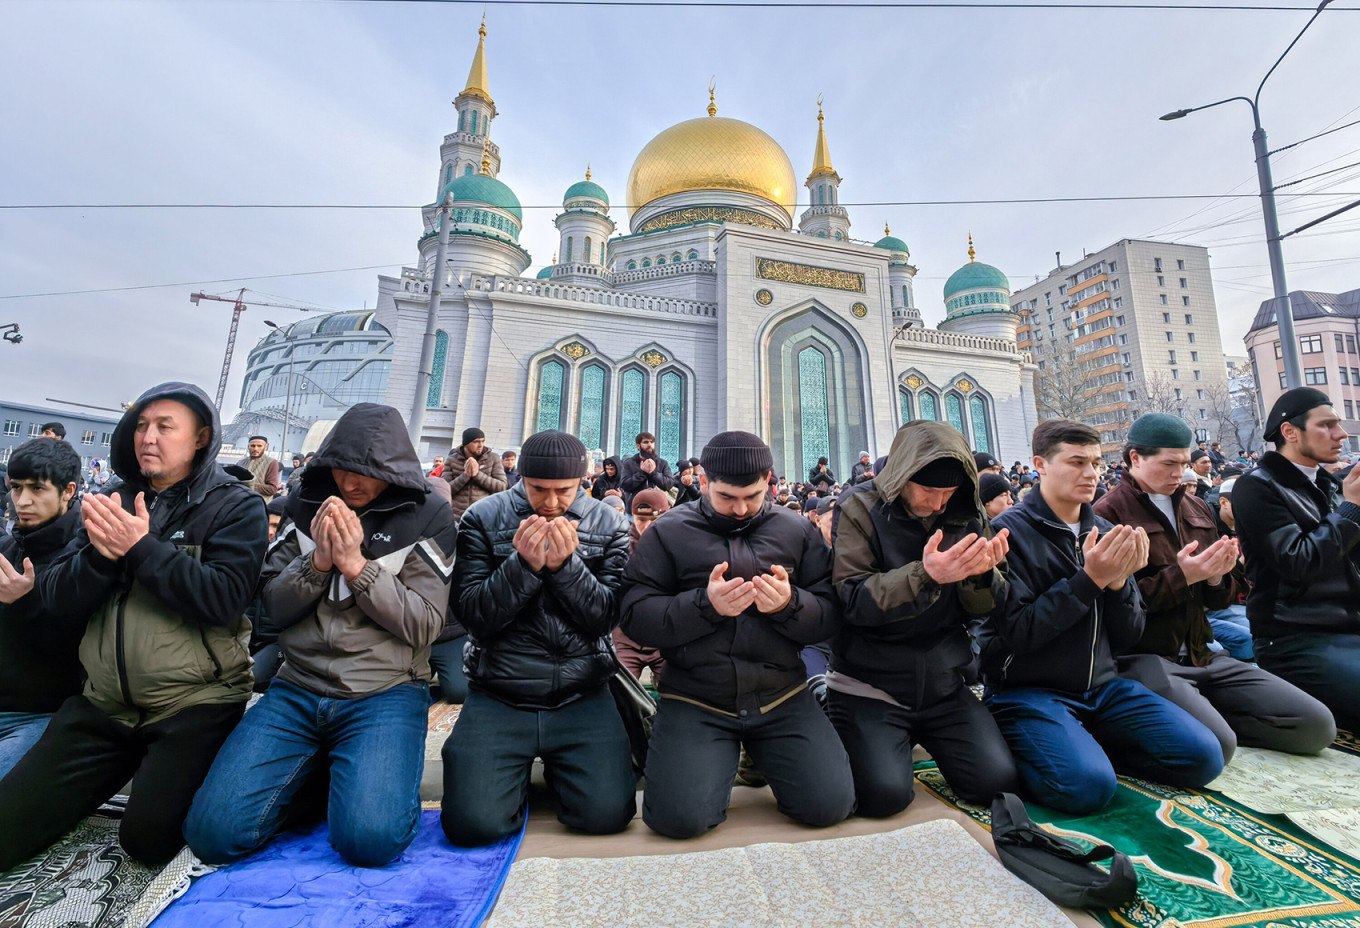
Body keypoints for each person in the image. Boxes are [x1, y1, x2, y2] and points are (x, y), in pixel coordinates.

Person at [0, 383, 266, 869]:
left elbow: (223, 600)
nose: (149, 437)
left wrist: (142, 549)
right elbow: (59, 600)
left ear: (201, 437)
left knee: (148, 841)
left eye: (166, 427)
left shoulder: (236, 505)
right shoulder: (112, 498)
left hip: (193, 701)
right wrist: (102, 556)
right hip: (105, 704)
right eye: (142, 425)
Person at [185, 404, 455, 868]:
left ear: (394, 470)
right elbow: (274, 605)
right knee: (213, 835)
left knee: (371, 842)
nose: (351, 483)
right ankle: (323, 777)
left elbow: (424, 624)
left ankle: (344, 779)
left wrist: (357, 567)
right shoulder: (305, 502)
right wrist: (317, 564)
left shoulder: (428, 515)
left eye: (366, 473)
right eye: (342, 469)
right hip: (298, 686)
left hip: (385, 690)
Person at [979, 418, 1223, 815]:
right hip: (1028, 690)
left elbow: (1129, 634)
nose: (1091, 473)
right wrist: (1090, 580)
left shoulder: (1108, 530)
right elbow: (1019, 634)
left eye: (1095, 462)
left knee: (1204, 757)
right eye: (1076, 462)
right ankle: (1055, 750)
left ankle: (1087, 750)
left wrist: (1119, 586)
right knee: (1086, 789)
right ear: (1039, 464)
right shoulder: (1005, 535)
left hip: (1104, 687)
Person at [620, 431, 854, 838]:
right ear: (705, 482)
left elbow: (832, 615)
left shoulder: (796, 530)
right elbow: (635, 615)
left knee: (829, 806)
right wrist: (704, 606)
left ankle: (762, 757)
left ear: (769, 481)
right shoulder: (669, 531)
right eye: (728, 497)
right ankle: (707, 757)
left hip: (781, 694)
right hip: (696, 697)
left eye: (753, 496)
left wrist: (788, 604)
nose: (742, 509)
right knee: (678, 821)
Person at [1094, 413, 1334, 764]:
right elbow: (1113, 605)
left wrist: (1217, 576)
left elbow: (1221, 599)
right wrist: (1184, 576)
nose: (1180, 473)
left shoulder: (1196, 508)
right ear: (1135, 458)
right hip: (1143, 658)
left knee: (1315, 726)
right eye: (1169, 464)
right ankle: (1186, 726)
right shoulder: (1106, 514)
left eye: (1185, 463)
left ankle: (1201, 721)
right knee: (1216, 746)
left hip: (1203, 651)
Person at [441, 431, 636, 846]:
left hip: (582, 689)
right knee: (473, 827)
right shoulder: (482, 517)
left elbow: (605, 616)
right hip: (499, 689)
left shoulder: (610, 522)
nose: (550, 503)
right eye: (537, 490)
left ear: (583, 480)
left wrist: (566, 568)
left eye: (562, 491)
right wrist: (524, 567)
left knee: (606, 815)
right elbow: (474, 615)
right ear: (521, 477)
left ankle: (561, 765)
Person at [828, 421, 1017, 817]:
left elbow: (984, 608)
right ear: (901, 476)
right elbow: (853, 599)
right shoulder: (858, 506)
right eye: (928, 490)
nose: (938, 504)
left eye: (948, 492)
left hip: (944, 680)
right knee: (884, 797)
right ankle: (824, 698)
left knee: (995, 783)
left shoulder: (965, 510)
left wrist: (983, 575)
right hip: (871, 682)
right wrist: (926, 575)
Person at [1233, 387, 1360, 729]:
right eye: (1327, 425)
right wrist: (1351, 511)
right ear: (1290, 432)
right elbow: (1298, 563)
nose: (1341, 433)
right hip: (1295, 639)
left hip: (1347, 628)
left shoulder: (1329, 485)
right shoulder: (1256, 487)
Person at [0, 439, 86, 778]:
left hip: (44, 713)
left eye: (37, 488)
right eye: (16, 488)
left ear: (68, 491)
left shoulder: (89, 553)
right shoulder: (7, 545)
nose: (22, 501)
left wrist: (25, 602)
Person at [613, 488, 670, 683]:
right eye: (640, 520)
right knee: (622, 695)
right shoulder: (619, 548)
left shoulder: (679, 546)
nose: (646, 527)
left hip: (666, 641)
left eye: (653, 520)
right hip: (626, 639)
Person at [445, 427, 508, 524]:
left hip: (484, 515)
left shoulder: (493, 458)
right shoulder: (452, 460)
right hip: (457, 517)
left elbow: (502, 487)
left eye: (482, 441)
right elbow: (445, 490)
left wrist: (477, 475)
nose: (481, 445)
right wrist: (465, 476)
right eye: (476, 442)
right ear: (466, 443)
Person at [620, 432, 675, 507]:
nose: (649, 445)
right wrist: (642, 473)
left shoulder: (662, 463)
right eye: (645, 442)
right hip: (636, 507)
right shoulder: (629, 463)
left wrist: (653, 473)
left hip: (658, 507)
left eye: (651, 442)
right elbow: (624, 484)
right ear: (638, 446)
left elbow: (669, 484)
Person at [238, 435, 283, 503]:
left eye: (259, 446)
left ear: (266, 447)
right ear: (248, 447)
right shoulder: (241, 463)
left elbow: (272, 489)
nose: (255, 449)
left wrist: (249, 485)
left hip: (259, 505)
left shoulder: (271, 462)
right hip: (240, 503)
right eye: (252, 446)